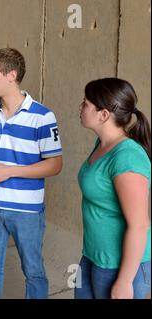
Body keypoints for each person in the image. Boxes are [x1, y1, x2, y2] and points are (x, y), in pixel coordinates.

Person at [0, 48, 63, 299]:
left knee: (33, 271)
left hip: (26, 211)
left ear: (11, 75)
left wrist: (11, 171)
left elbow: (55, 164)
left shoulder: (43, 116)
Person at [75, 78, 151, 299]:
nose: (80, 107)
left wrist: (125, 281)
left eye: (85, 103)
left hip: (119, 266)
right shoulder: (102, 145)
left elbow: (140, 225)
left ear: (104, 114)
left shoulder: (127, 157)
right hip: (92, 255)